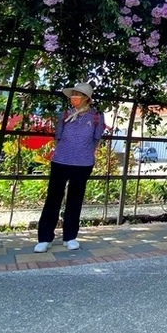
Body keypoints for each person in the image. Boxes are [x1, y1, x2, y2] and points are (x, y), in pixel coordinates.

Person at [34, 81, 107, 253]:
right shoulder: (65, 114)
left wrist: (84, 151)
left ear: (86, 98)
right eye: (73, 94)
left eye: (78, 94)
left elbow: (97, 138)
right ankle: (45, 238)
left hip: (83, 164)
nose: (74, 97)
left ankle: (70, 237)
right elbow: (58, 136)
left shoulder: (96, 117)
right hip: (60, 161)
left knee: (75, 200)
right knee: (53, 199)